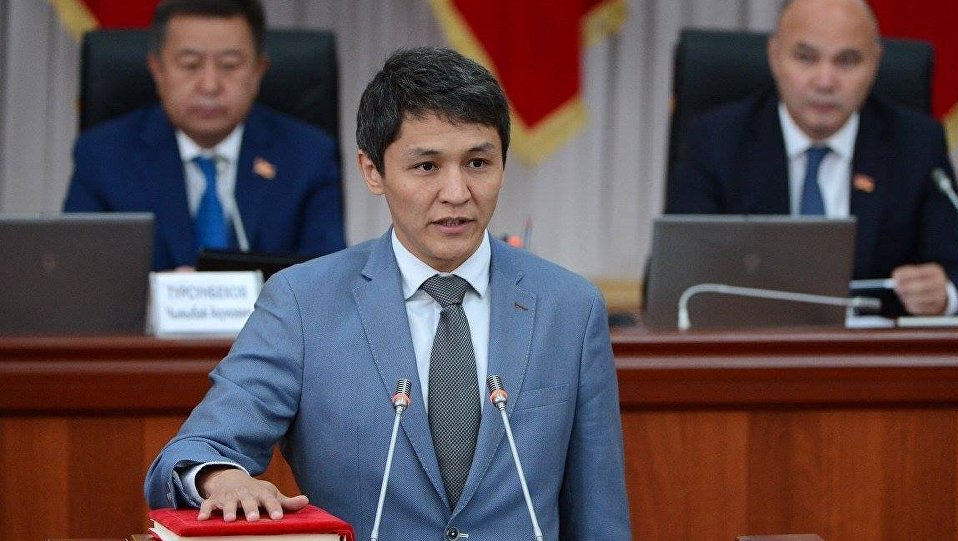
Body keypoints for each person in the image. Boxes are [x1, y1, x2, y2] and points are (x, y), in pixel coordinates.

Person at [144, 47, 632, 540]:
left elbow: (600, 516)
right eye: (427, 166)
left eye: (478, 162)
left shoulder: (569, 308)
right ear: (372, 171)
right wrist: (221, 477)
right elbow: (194, 452)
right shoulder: (302, 303)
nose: (457, 192)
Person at [667, 0, 958, 318]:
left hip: (872, 352)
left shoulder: (914, 144)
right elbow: (671, 279)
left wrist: (942, 294)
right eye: (806, 58)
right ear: (775, 56)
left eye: (847, 61)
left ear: (875, 63)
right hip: (753, 347)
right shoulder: (716, 141)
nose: (825, 81)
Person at [64, 0, 345, 271]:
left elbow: (329, 279)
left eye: (229, 65)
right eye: (190, 64)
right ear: (157, 70)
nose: (209, 86)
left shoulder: (309, 157)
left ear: (258, 71)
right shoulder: (102, 156)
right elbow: (77, 272)